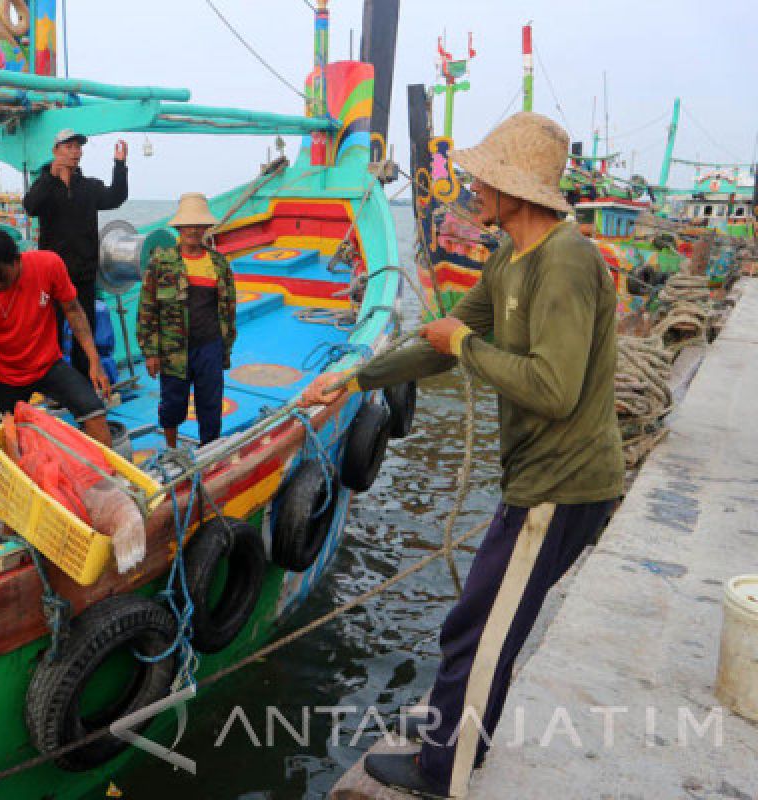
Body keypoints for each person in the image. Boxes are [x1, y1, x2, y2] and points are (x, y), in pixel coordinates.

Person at [301, 112, 624, 799]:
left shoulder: (566, 260)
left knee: (475, 629)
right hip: (535, 480)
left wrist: (464, 348)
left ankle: (441, 771)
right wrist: (352, 381)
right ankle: (459, 731)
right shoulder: (509, 256)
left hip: (561, 484)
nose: (469, 184)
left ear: (516, 190)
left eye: (484, 176)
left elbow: (554, 388)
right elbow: (437, 339)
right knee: (485, 622)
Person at [0, 226, 112, 448]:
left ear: (16, 259)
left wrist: (94, 361)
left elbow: (73, 309)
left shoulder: (48, 264)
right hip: (5, 377)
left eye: (2, 276)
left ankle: (107, 479)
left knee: (94, 412)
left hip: (49, 365)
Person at [22, 129, 128, 380]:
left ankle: (84, 382)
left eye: (78, 147)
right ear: (55, 151)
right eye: (68, 147)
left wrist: (120, 165)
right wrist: (51, 175)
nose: (75, 152)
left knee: (86, 331)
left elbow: (116, 197)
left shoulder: (89, 187)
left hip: (83, 274)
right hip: (51, 276)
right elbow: (30, 207)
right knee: (52, 332)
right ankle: (56, 387)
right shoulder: (45, 186)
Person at [137, 193, 237, 447]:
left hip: (209, 347)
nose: (193, 230)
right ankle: (171, 449)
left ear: (206, 228)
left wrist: (225, 348)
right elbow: (147, 308)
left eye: (198, 225)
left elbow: (228, 308)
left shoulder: (219, 264)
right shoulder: (161, 262)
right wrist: (151, 352)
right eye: (188, 225)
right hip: (173, 350)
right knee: (172, 403)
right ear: (179, 227)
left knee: (211, 404)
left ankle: (209, 450)